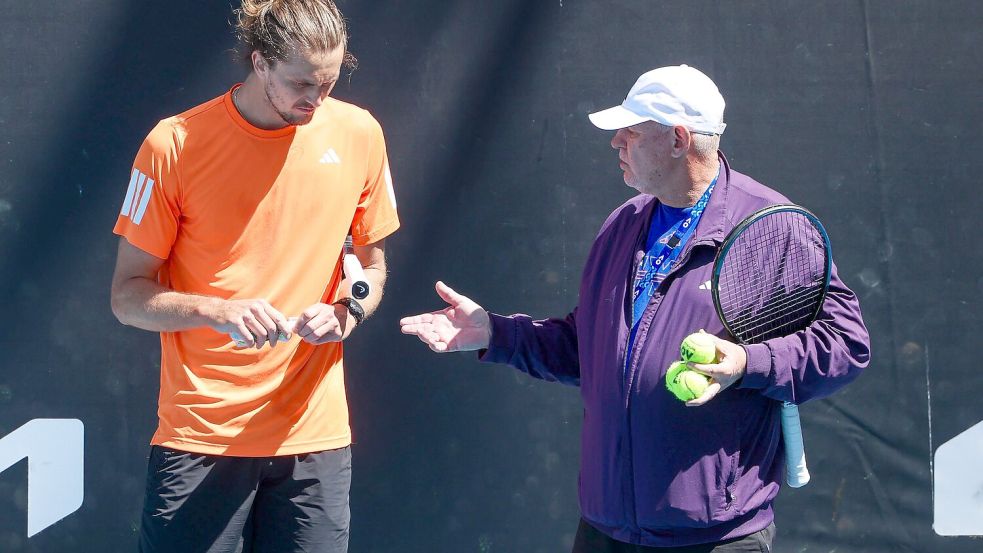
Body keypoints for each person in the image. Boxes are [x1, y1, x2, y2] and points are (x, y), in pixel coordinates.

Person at [400, 65, 869, 552]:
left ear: (678, 139)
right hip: (607, 531)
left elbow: (846, 345)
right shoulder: (623, 224)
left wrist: (747, 363)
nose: (615, 143)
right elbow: (588, 351)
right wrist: (495, 333)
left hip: (715, 539)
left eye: (631, 132)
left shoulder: (771, 229)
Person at [110, 1, 400, 551]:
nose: (315, 101)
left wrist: (348, 311)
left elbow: (371, 268)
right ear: (259, 61)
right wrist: (216, 311)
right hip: (201, 436)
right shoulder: (172, 145)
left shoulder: (360, 133)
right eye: (300, 84)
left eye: (329, 83)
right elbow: (127, 298)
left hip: (314, 439)